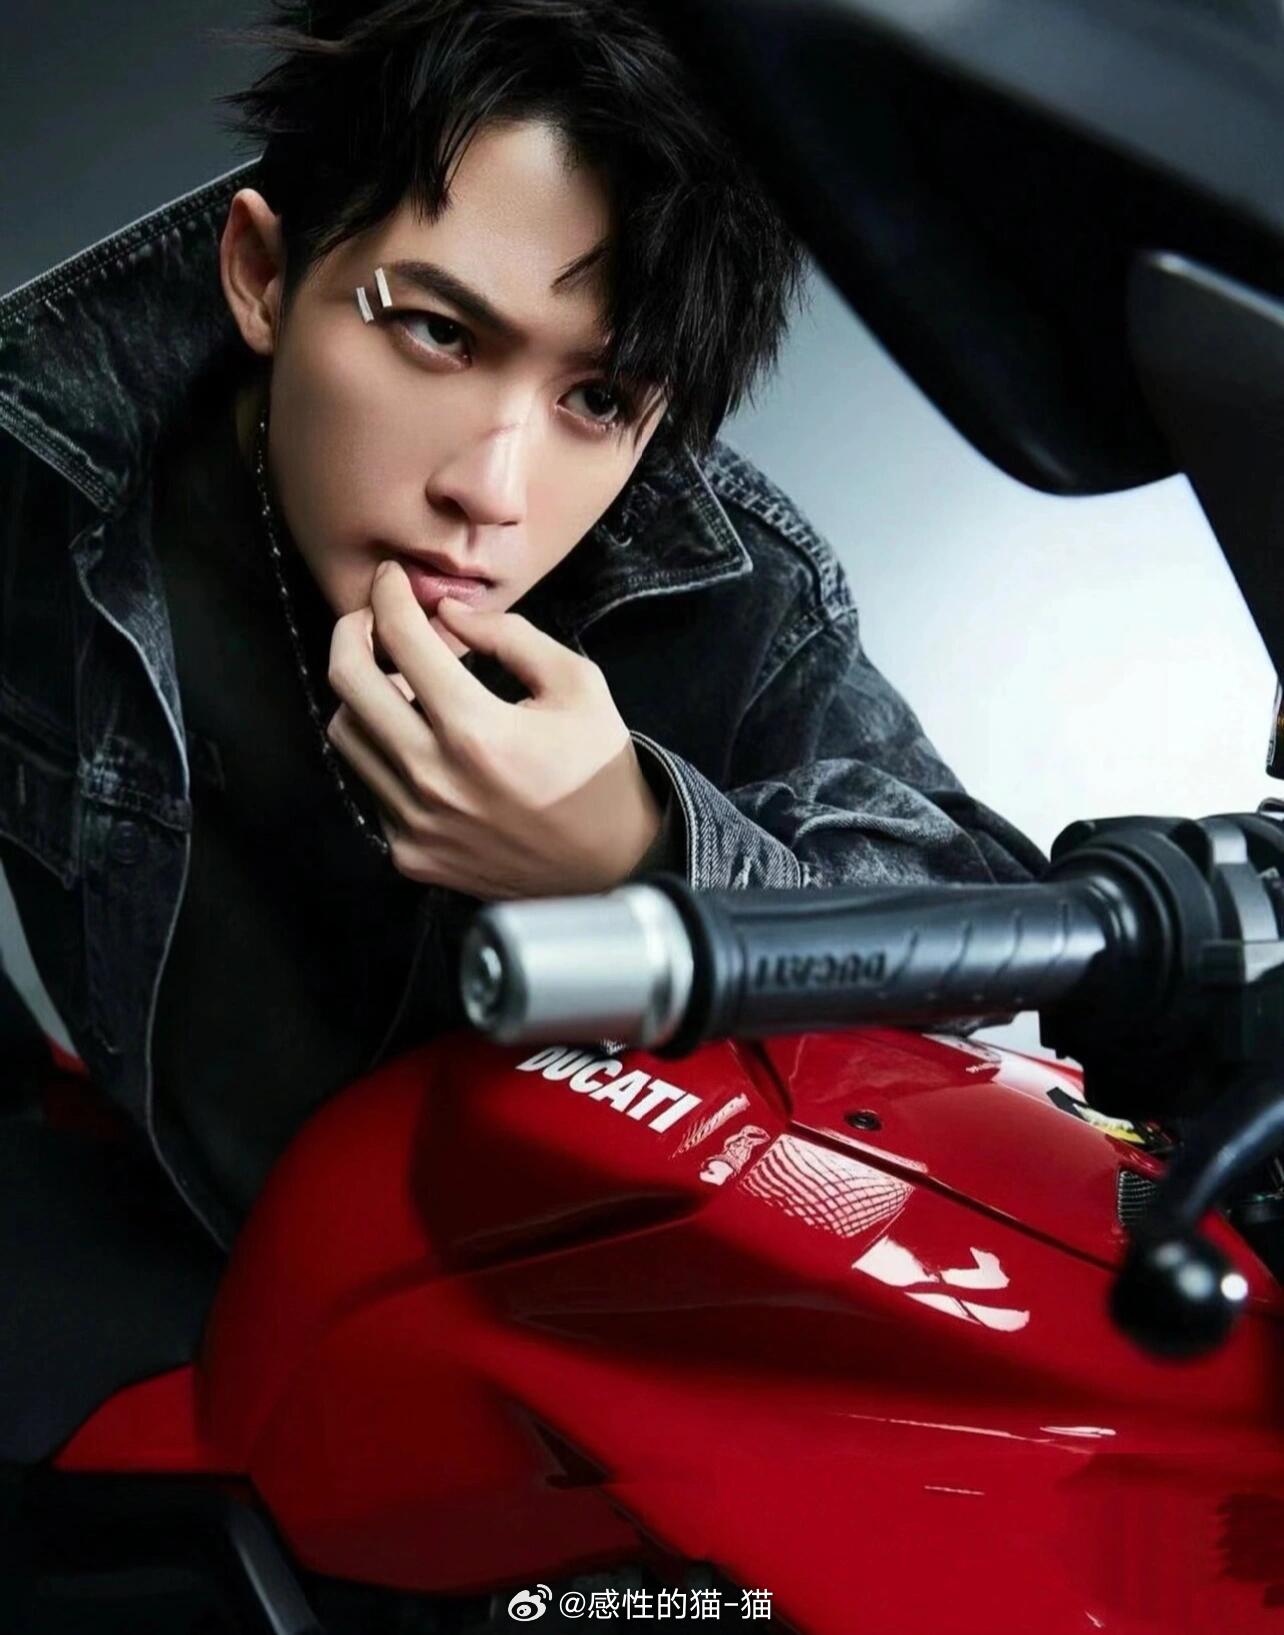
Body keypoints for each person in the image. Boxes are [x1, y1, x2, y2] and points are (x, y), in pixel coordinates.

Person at [0, 0, 1046, 1460]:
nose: (491, 490)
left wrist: (631, 848)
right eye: (437, 332)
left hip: (526, 1388)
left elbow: (987, 933)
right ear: (263, 274)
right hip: (175, 1300)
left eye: (595, 398)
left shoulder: (728, 587)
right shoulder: (41, 465)